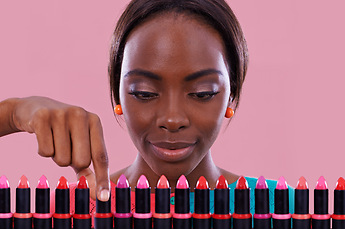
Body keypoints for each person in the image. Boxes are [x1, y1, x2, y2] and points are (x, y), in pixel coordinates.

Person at [0, 0, 293, 213]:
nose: (172, 119)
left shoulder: (289, 210)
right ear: (117, 97)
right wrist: (11, 114)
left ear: (232, 96)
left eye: (203, 93)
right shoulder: (65, 213)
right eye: (144, 93)